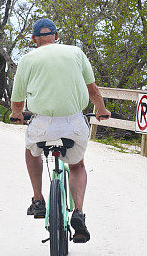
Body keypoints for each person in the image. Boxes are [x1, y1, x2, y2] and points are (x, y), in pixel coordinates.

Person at [10, 17, 110, 243]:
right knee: (77, 165)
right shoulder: (75, 52)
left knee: (31, 150)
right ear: (56, 36)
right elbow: (92, 90)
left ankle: (38, 199)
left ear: (34, 39)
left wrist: (17, 115)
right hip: (74, 122)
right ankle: (79, 213)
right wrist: (102, 109)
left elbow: (18, 101)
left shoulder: (27, 59)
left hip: (42, 123)